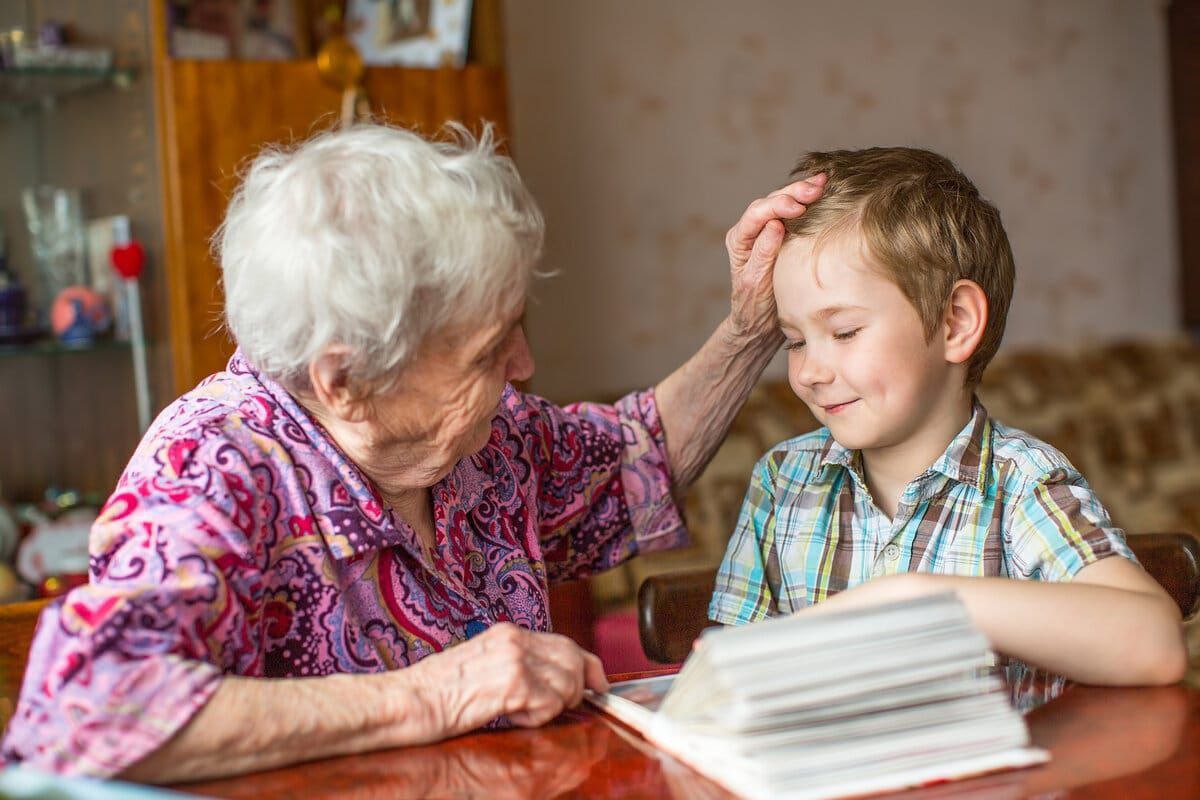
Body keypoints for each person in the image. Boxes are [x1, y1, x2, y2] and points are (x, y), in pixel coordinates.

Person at [1, 124, 826, 781]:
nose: (523, 366)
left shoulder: (485, 437)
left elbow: (632, 458)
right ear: (346, 379)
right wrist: (440, 691)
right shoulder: (213, 466)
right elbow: (92, 708)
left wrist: (752, 330)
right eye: (488, 349)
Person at [710, 147, 1188, 696]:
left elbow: (1154, 643)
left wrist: (916, 598)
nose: (810, 373)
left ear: (955, 323)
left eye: (843, 332)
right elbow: (727, 686)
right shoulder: (782, 481)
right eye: (795, 342)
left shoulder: (1020, 485)